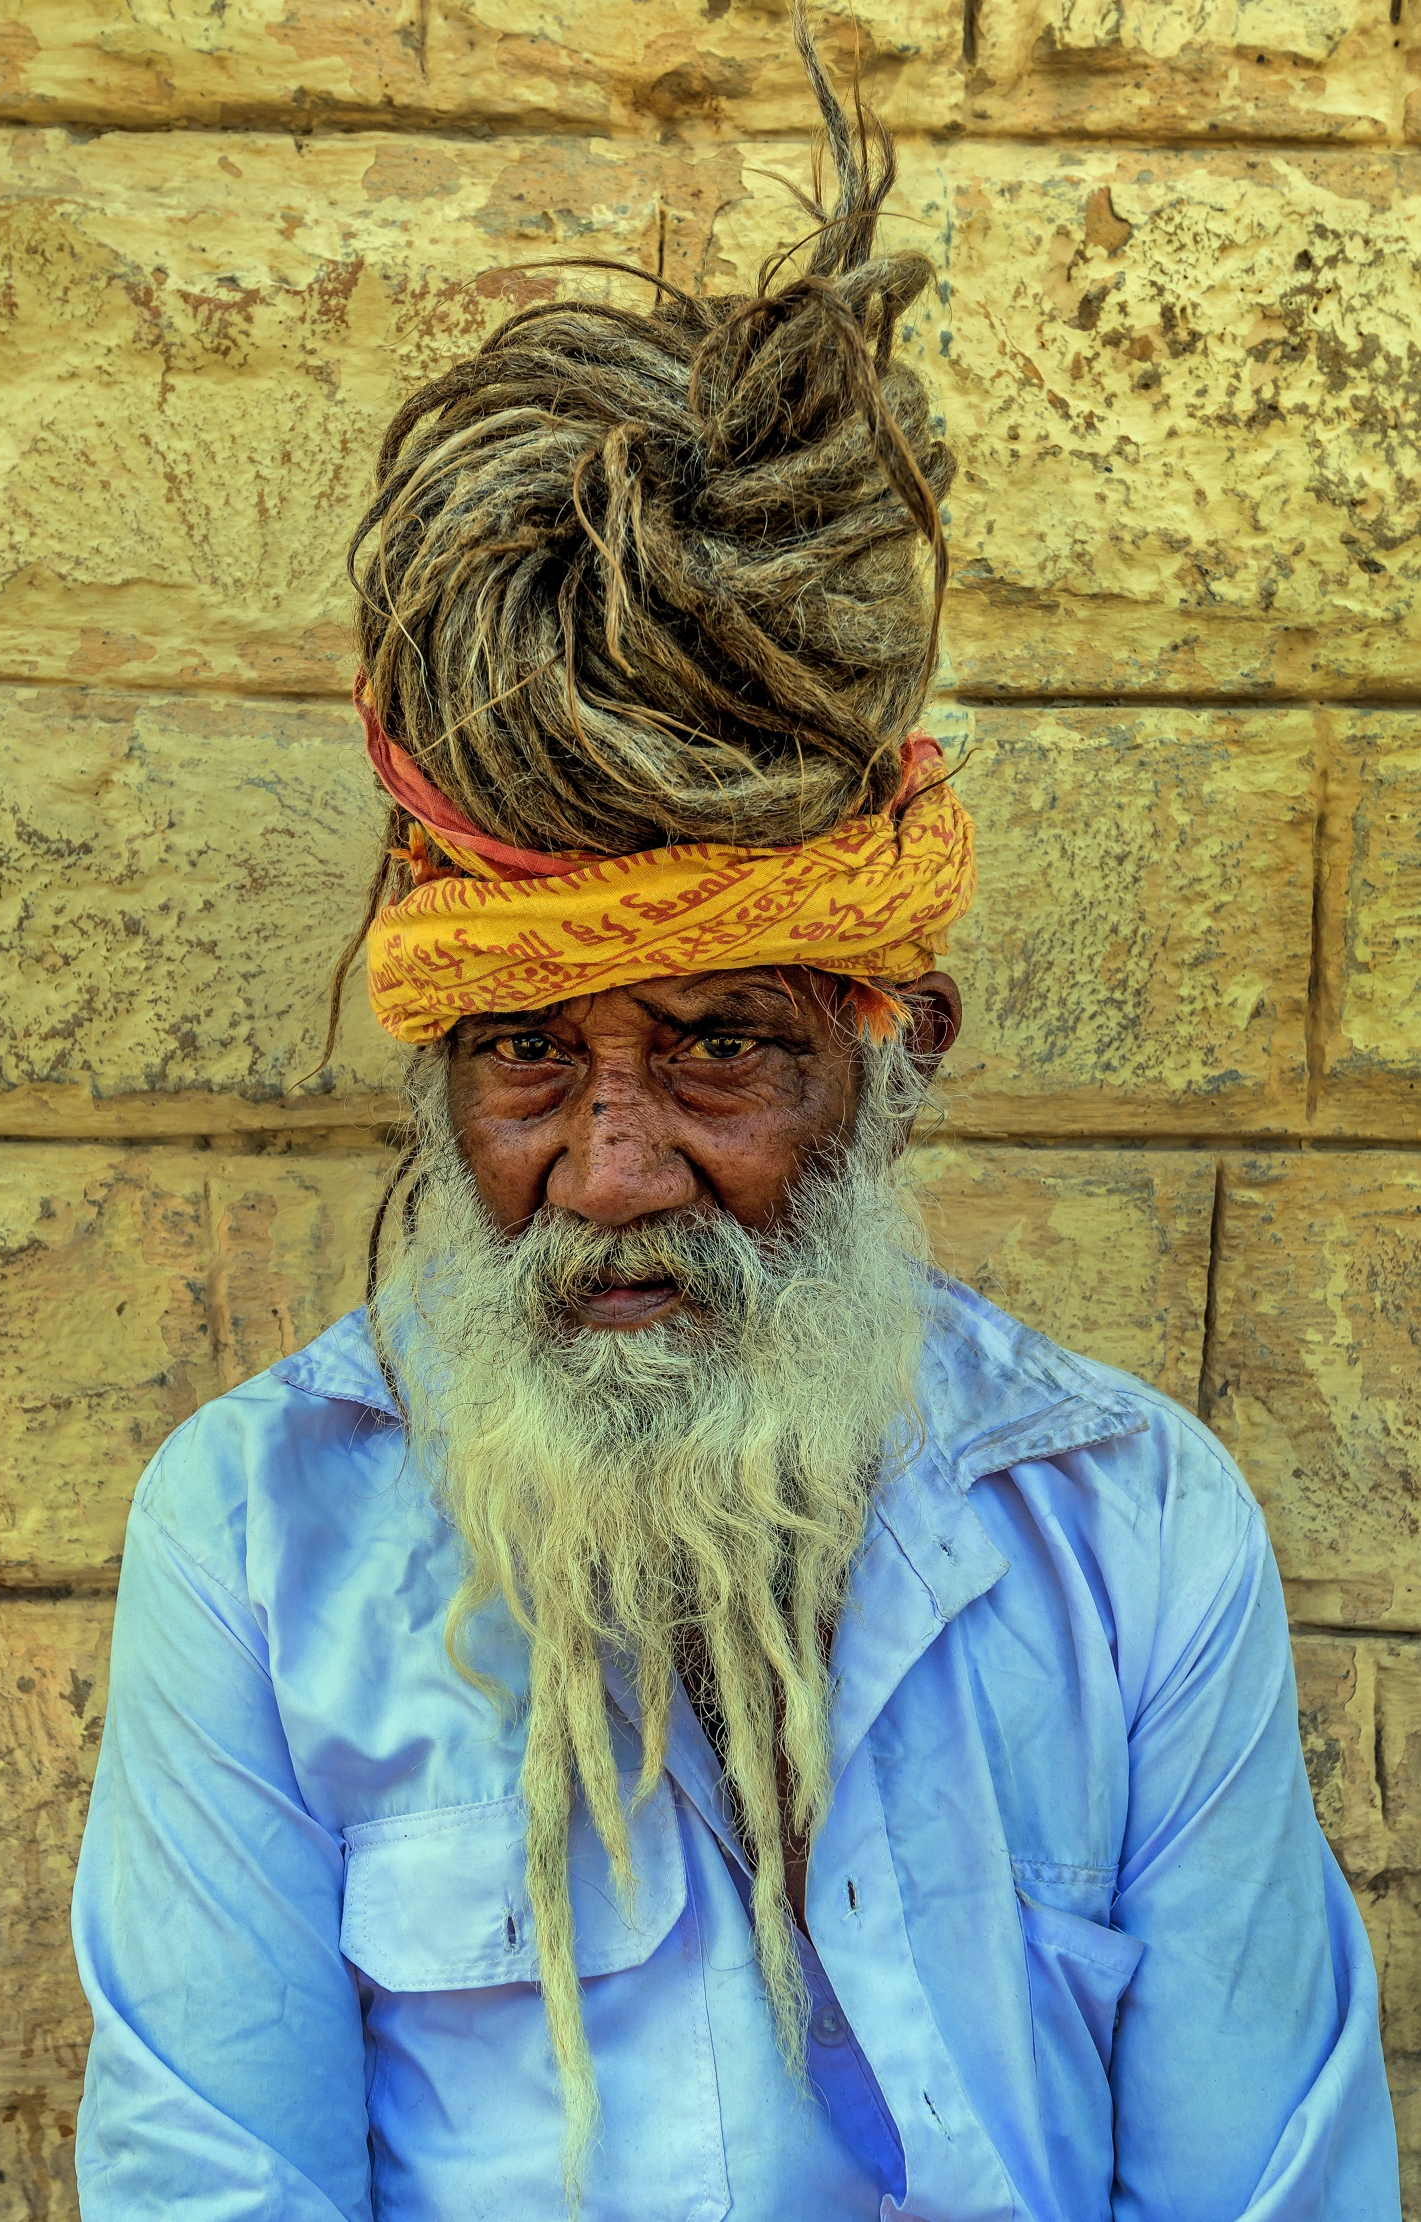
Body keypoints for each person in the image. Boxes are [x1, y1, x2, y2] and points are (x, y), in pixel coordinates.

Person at [71, 11, 1397, 2216]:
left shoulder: (1144, 1541)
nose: (612, 1170)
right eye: (526, 1060)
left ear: (883, 1058)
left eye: (718, 1048)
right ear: (438, 1086)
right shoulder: (250, 1548)